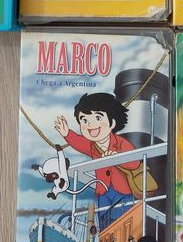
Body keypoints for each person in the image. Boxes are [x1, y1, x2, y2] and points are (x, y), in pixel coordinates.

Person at [54, 92, 140, 229]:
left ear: (112, 122)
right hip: (103, 191)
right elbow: (79, 142)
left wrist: (117, 157)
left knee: (122, 221)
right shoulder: (92, 146)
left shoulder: (121, 143)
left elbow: (134, 162)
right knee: (104, 222)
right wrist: (67, 133)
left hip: (122, 192)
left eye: (97, 118)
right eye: (84, 120)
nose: (90, 125)